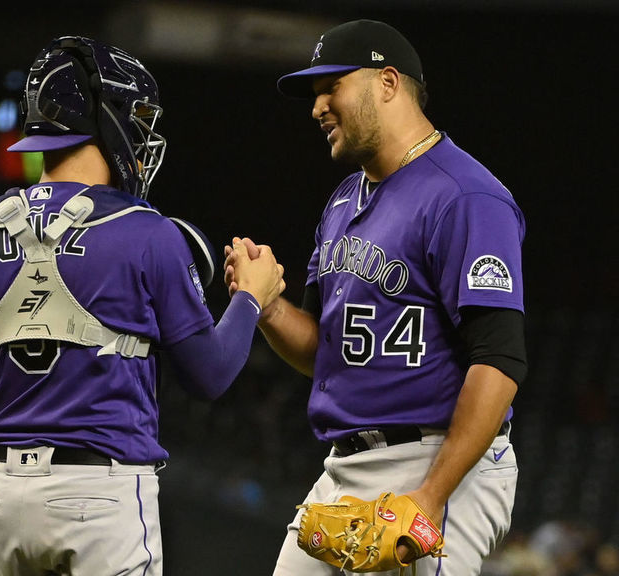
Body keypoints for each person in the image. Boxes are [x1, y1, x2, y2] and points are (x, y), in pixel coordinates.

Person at [0, 36, 284, 576]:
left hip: (6, 497)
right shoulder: (147, 233)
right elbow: (211, 374)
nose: (142, 133)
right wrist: (252, 297)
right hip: (101, 496)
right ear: (102, 115)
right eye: (135, 115)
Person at [225, 19, 527, 576]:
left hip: (438, 461)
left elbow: (500, 359)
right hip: (344, 467)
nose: (317, 108)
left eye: (331, 86)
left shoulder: (467, 196)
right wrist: (265, 306)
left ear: (388, 83)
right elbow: (327, 353)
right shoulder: (343, 202)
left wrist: (432, 495)